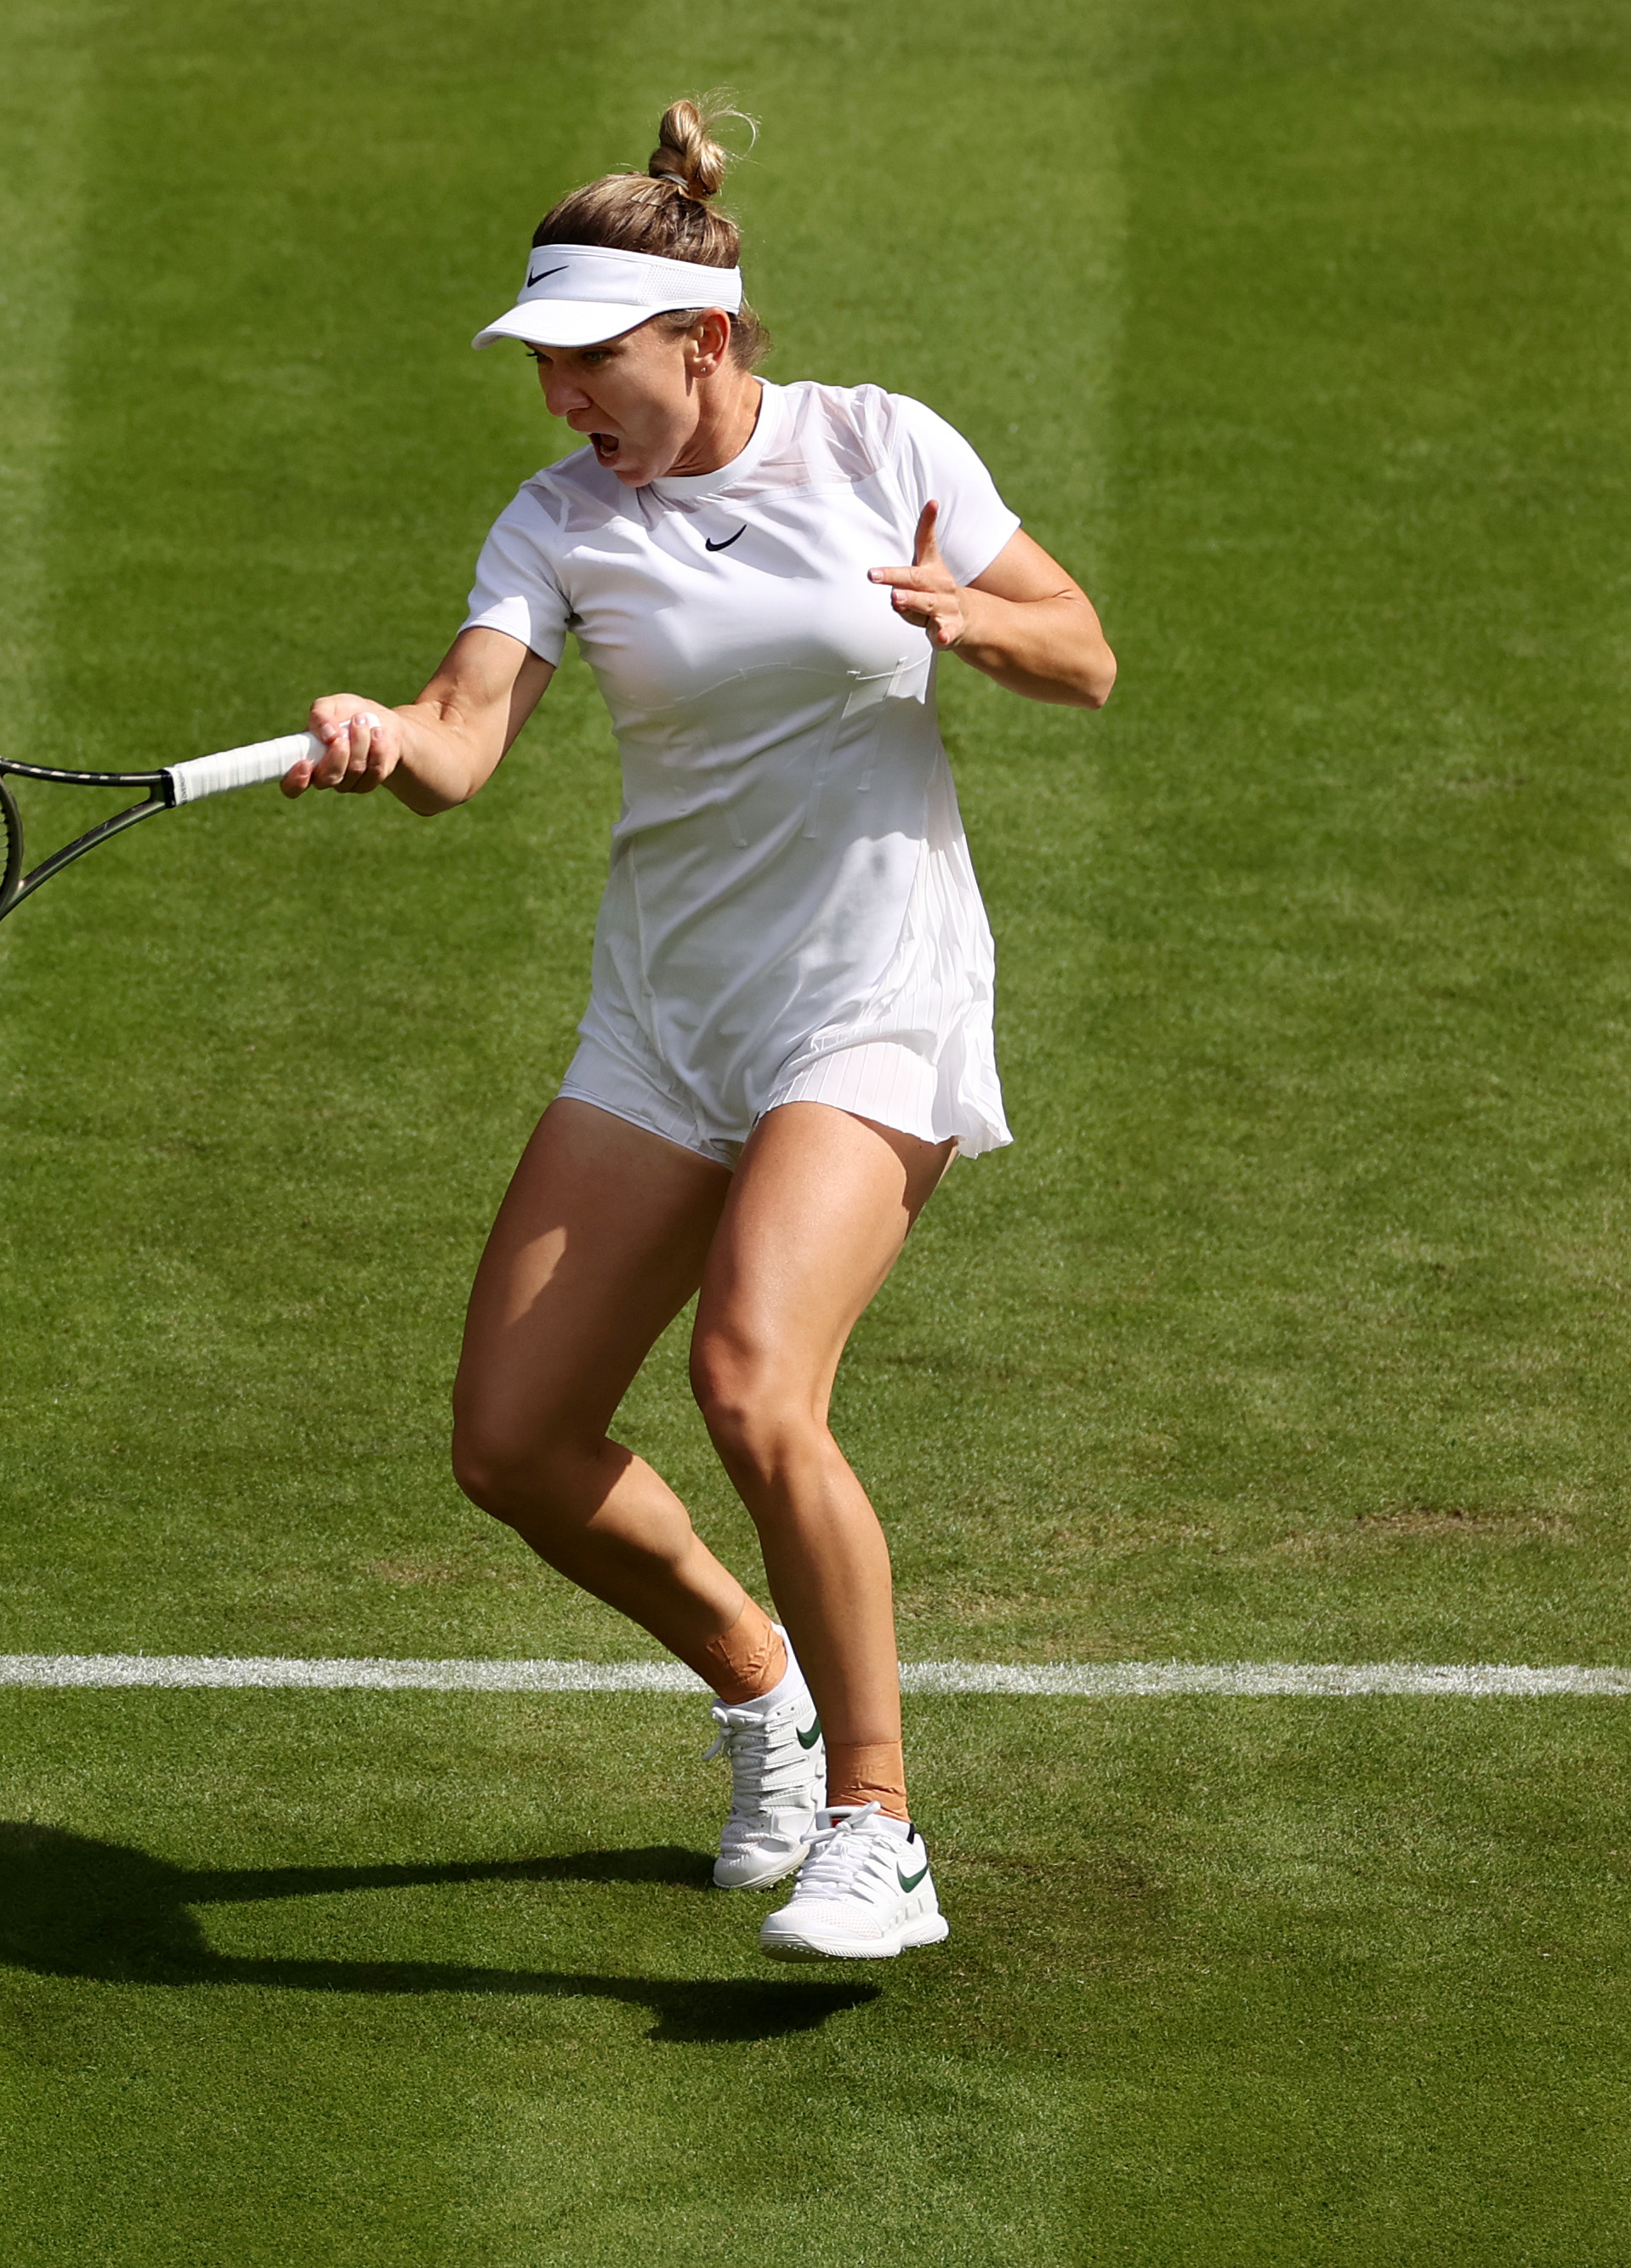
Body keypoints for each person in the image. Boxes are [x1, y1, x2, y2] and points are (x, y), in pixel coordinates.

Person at [279, 99, 1116, 1960]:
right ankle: (765, 1691)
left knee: (752, 1378)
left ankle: (880, 1822)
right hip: (668, 1017)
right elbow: (463, 740)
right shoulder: (559, 523)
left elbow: (1088, 648)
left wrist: (964, 615)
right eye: (547, 369)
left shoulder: (883, 444)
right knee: (510, 1437)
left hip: (870, 991)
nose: (563, 402)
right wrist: (380, 740)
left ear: (703, 341)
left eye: (591, 366)